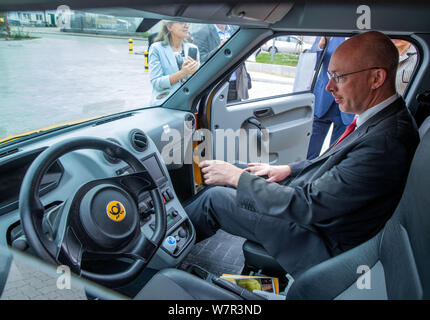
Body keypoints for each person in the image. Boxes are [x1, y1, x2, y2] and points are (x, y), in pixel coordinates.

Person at [185, 31, 419, 277]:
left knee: (215, 198)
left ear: (376, 78)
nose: (329, 87)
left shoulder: (385, 142)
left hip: (319, 238)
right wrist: (287, 170)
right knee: (238, 169)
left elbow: (306, 206)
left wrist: (236, 179)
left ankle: (157, 256)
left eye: (339, 77)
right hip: (320, 214)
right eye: (330, 76)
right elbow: (332, 163)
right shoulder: (382, 119)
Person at [307, 36, 355, 160]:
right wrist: (320, 46)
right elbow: (312, 62)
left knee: (336, 152)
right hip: (324, 99)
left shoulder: (361, 38)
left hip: (347, 102)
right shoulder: (328, 34)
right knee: (310, 151)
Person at [192, 24, 250, 102]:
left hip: (236, 84)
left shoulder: (236, 29)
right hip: (215, 86)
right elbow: (201, 61)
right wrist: (220, 49)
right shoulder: (203, 32)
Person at [148, 21, 199, 106]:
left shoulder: (193, 48)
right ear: (169, 27)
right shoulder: (156, 48)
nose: (186, 25)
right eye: (181, 22)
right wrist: (182, 73)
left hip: (189, 103)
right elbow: (156, 82)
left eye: (187, 22)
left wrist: (196, 72)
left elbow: (198, 81)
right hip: (165, 103)